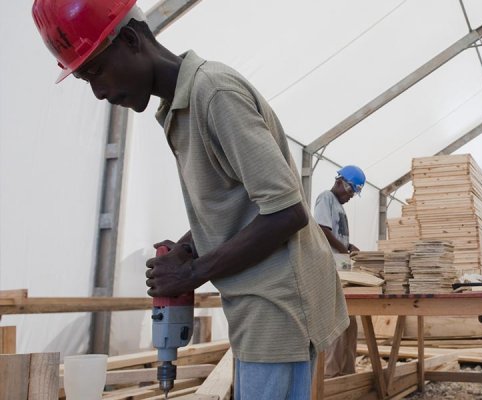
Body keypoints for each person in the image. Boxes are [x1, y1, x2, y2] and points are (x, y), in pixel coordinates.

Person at [31, 1, 349, 398]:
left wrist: (192, 274)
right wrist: (185, 248)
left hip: (280, 307)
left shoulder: (213, 93)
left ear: (131, 39)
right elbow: (235, 204)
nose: (98, 92)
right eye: (84, 79)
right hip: (257, 304)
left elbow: (287, 211)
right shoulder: (178, 108)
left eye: (96, 70)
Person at [314, 165, 365, 378]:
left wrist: (349, 245)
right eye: (351, 191)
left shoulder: (339, 206)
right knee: (336, 322)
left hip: (342, 271)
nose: (351, 196)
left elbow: (337, 234)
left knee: (350, 322)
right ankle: (330, 374)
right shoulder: (326, 198)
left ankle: (347, 371)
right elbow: (322, 230)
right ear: (340, 182)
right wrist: (342, 249)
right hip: (328, 270)